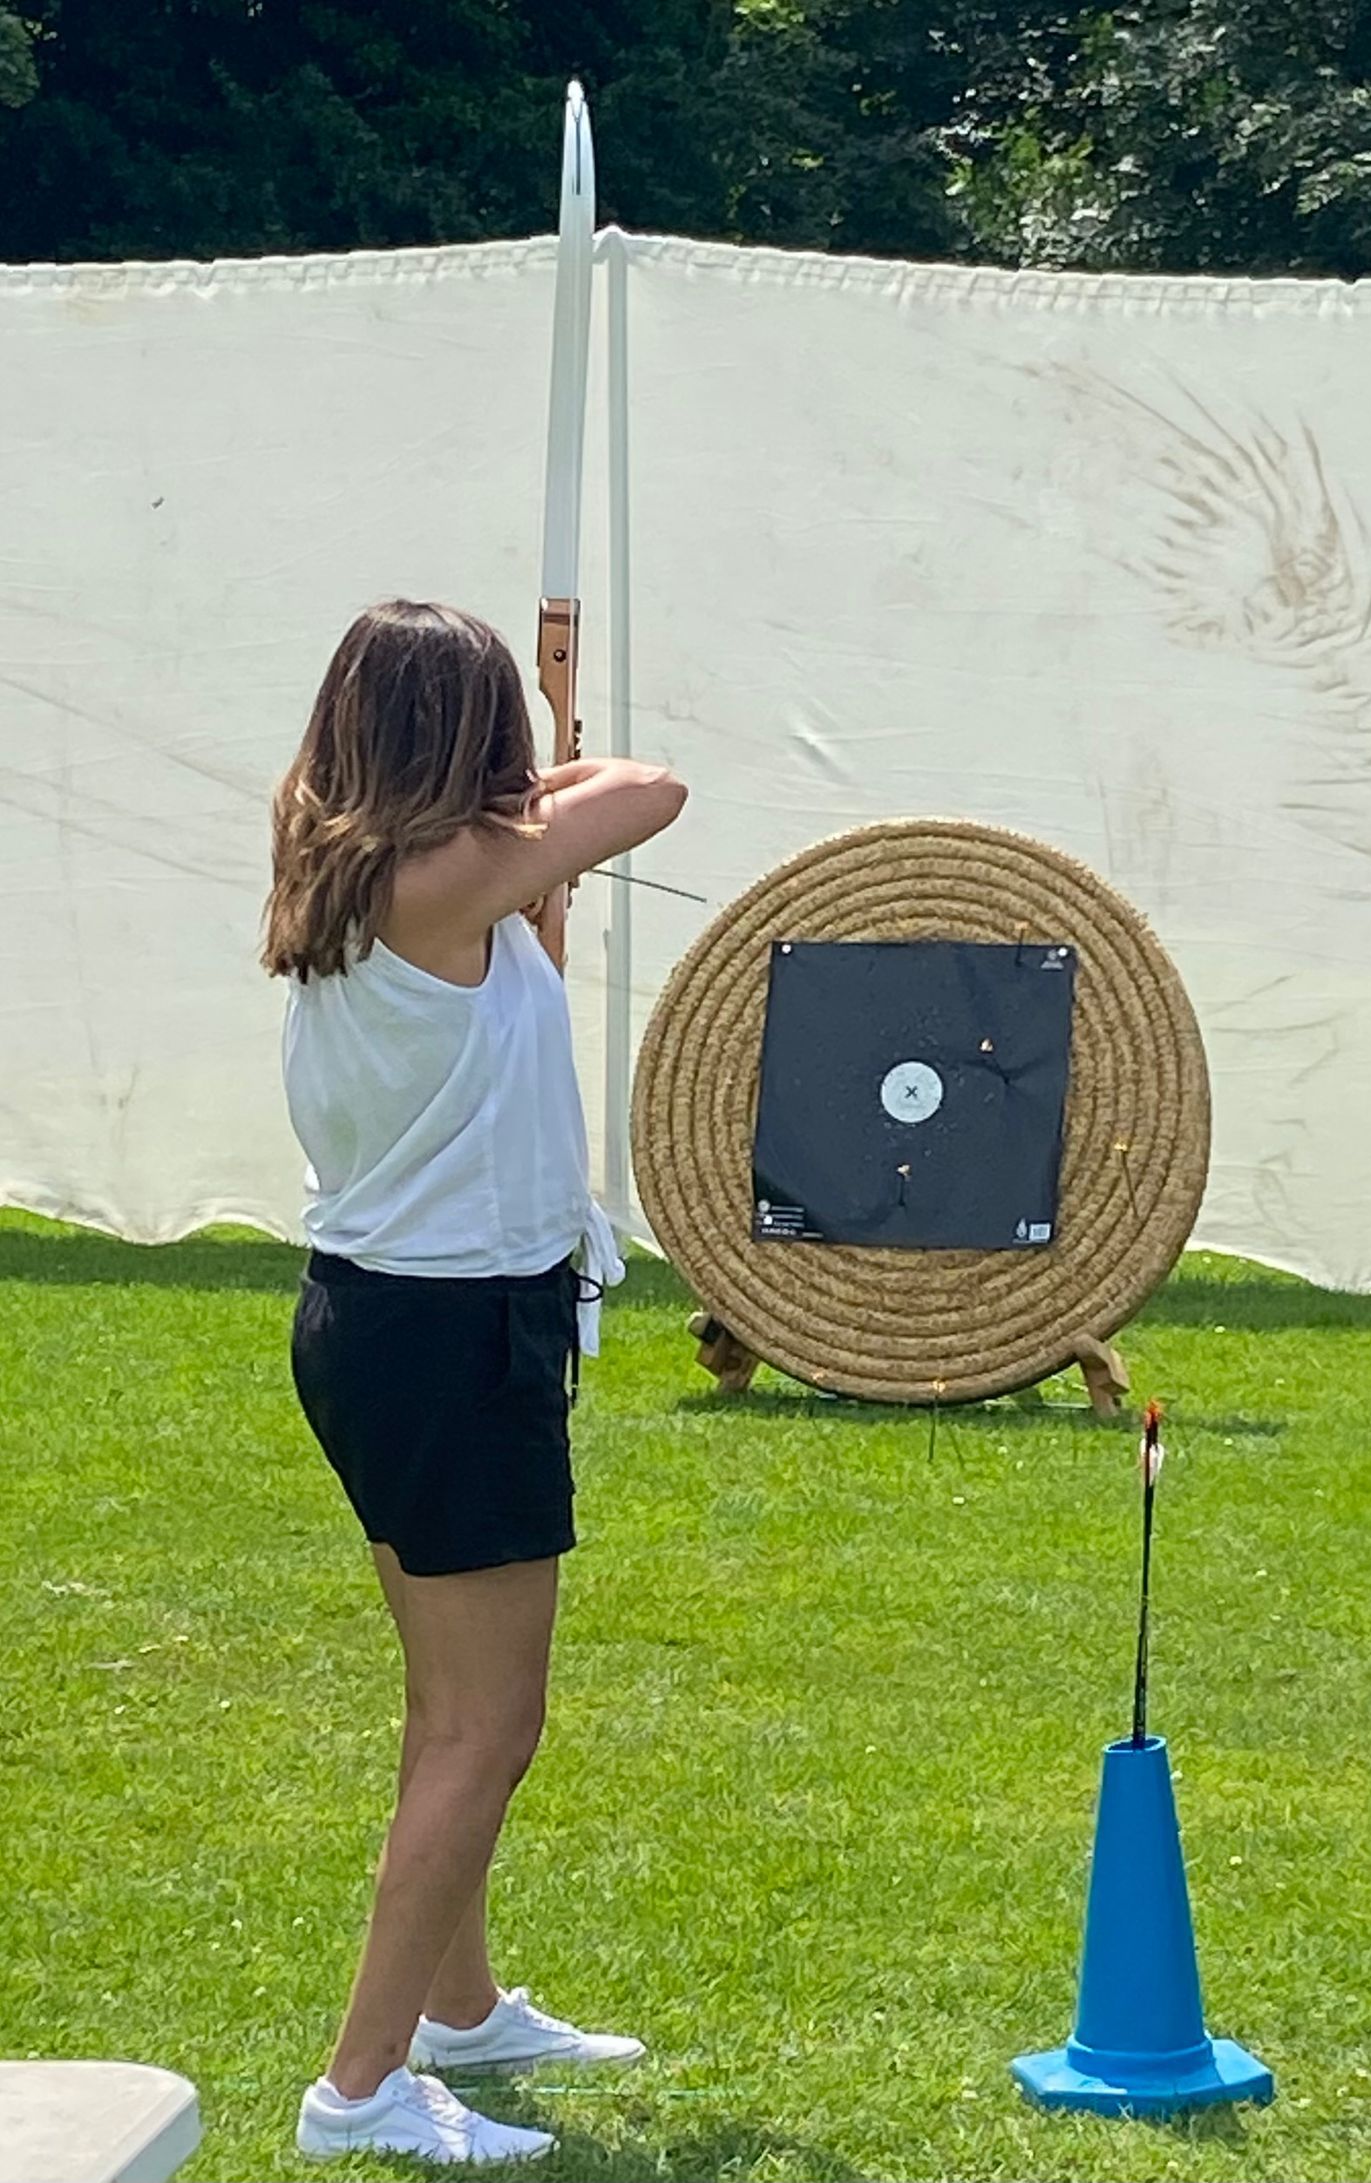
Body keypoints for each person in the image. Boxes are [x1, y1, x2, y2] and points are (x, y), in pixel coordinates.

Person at [262, 600, 687, 2162]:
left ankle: (461, 2011)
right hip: (448, 1341)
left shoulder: (362, 873)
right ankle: (360, 2089)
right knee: (486, 1728)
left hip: (390, 1329)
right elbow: (653, 789)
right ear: (469, 747)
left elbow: (574, 844)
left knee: (446, 1708)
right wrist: (540, 801)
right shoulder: (445, 878)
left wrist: (522, 820)